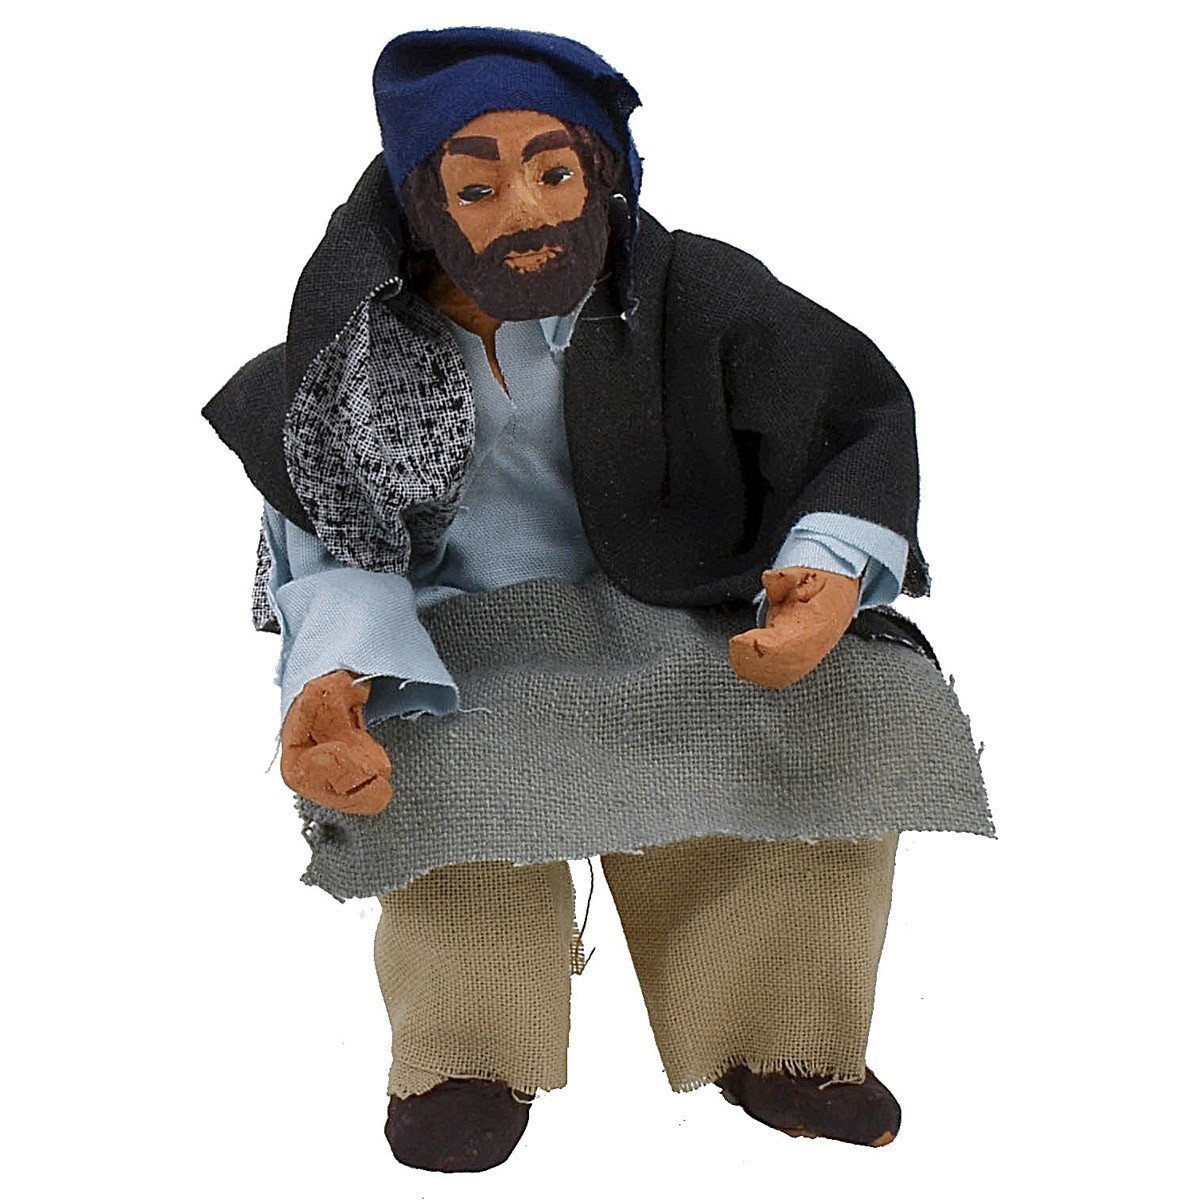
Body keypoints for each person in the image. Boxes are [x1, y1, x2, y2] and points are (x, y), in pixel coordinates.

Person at [204, 27, 992, 1174]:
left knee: (830, 723)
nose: (525, 209)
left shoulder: (692, 298)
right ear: (423, 204)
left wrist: (824, 575)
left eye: (554, 171)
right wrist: (331, 681)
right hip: (458, 640)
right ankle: (465, 1055)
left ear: (604, 175)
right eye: (480, 186)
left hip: (687, 605)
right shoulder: (355, 360)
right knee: (449, 789)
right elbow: (332, 533)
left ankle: (780, 1034)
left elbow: (847, 415)